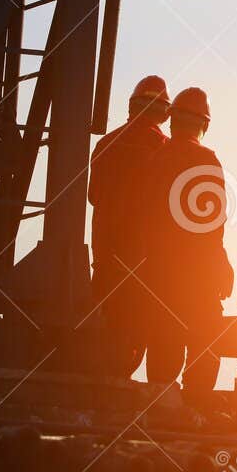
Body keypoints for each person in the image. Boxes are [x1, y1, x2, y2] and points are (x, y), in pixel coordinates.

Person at [146, 87, 234, 410]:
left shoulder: (155, 159)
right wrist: (220, 265)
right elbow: (211, 224)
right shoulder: (205, 159)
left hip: (160, 273)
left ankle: (162, 408)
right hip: (196, 276)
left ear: (172, 122)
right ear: (204, 124)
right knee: (206, 337)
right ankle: (196, 408)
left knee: (164, 338)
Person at [86, 75, 170, 379]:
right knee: (138, 330)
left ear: (132, 107)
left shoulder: (106, 145)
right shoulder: (164, 149)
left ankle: (105, 384)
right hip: (145, 263)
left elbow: (94, 196)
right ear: (164, 114)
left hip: (106, 258)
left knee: (107, 325)